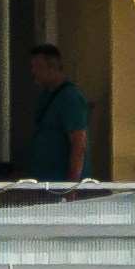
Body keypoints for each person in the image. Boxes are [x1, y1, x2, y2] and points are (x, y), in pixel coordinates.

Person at [27, 44, 96, 183]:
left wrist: (71, 185)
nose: (33, 71)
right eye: (32, 66)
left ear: (53, 67)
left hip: (62, 185)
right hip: (44, 183)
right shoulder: (45, 96)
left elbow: (78, 142)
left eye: (38, 66)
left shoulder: (71, 98)